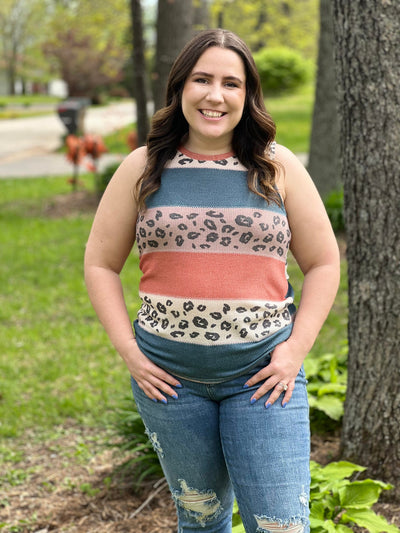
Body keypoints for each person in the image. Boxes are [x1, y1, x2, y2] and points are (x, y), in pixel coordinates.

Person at [84, 29, 340, 533]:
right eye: (202, 79)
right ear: (181, 88)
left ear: (248, 96)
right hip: (170, 384)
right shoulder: (143, 168)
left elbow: (325, 262)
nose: (215, 95)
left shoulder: (276, 166)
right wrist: (131, 355)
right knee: (201, 521)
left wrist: (294, 352)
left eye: (231, 82)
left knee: (281, 525)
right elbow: (99, 263)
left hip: (263, 379)